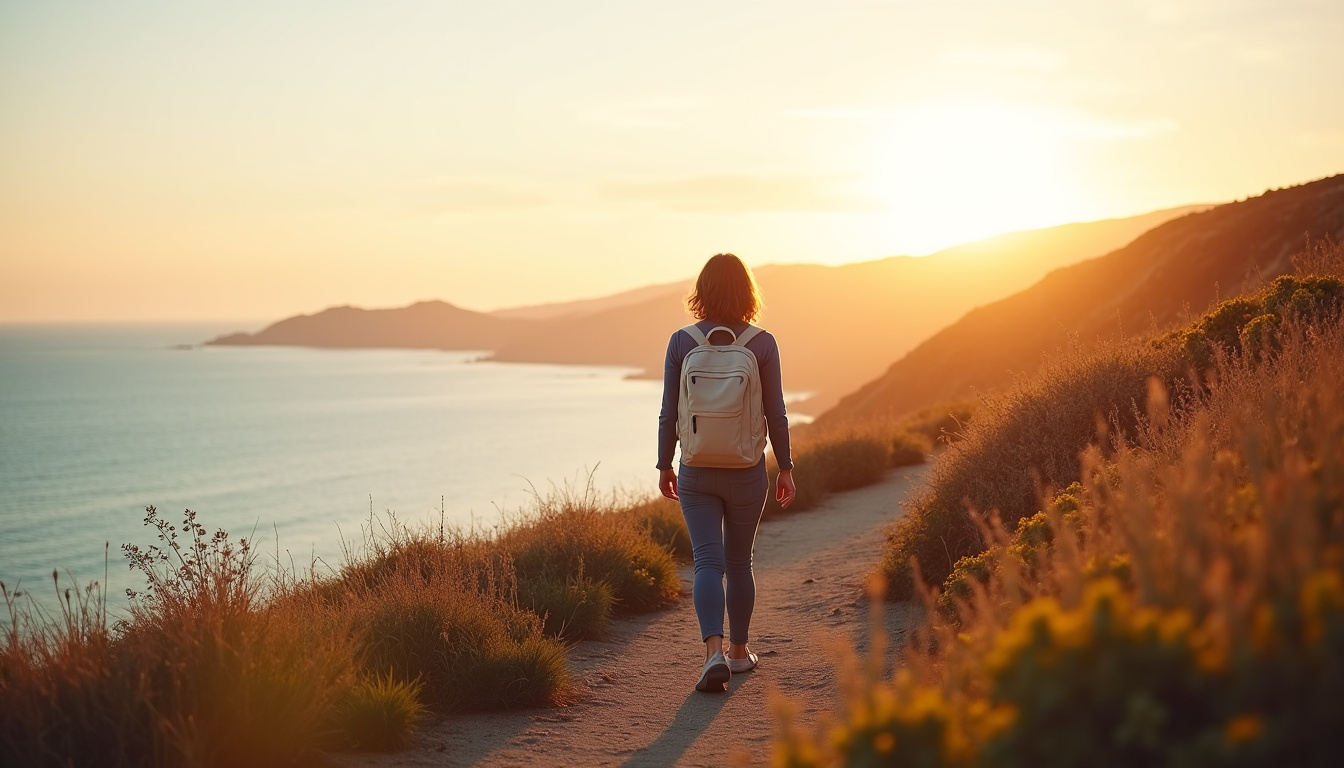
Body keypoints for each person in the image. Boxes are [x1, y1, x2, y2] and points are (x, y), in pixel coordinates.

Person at [657, 253, 796, 693]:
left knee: (706, 561)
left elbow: (667, 413)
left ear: (702, 291)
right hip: (746, 470)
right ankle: (739, 654)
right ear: (747, 292)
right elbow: (776, 412)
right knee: (738, 562)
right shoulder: (762, 343)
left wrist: (664, 464)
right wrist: (786, 467)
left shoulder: (682, 342)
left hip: (696, 468)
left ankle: (711, 653)